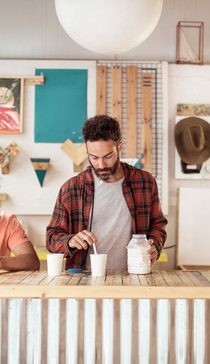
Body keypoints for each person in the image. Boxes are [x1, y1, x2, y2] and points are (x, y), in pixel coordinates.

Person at [47, 115, 167, 270]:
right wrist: (70, 241)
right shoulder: (71, 189)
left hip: (134, 278)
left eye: (108, 156)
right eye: (94, 157)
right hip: (84, 282)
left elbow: (158, 224)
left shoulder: (145, 182)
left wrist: (154, 246)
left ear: (120, 147)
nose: (101, 164)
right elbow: (51, 238)